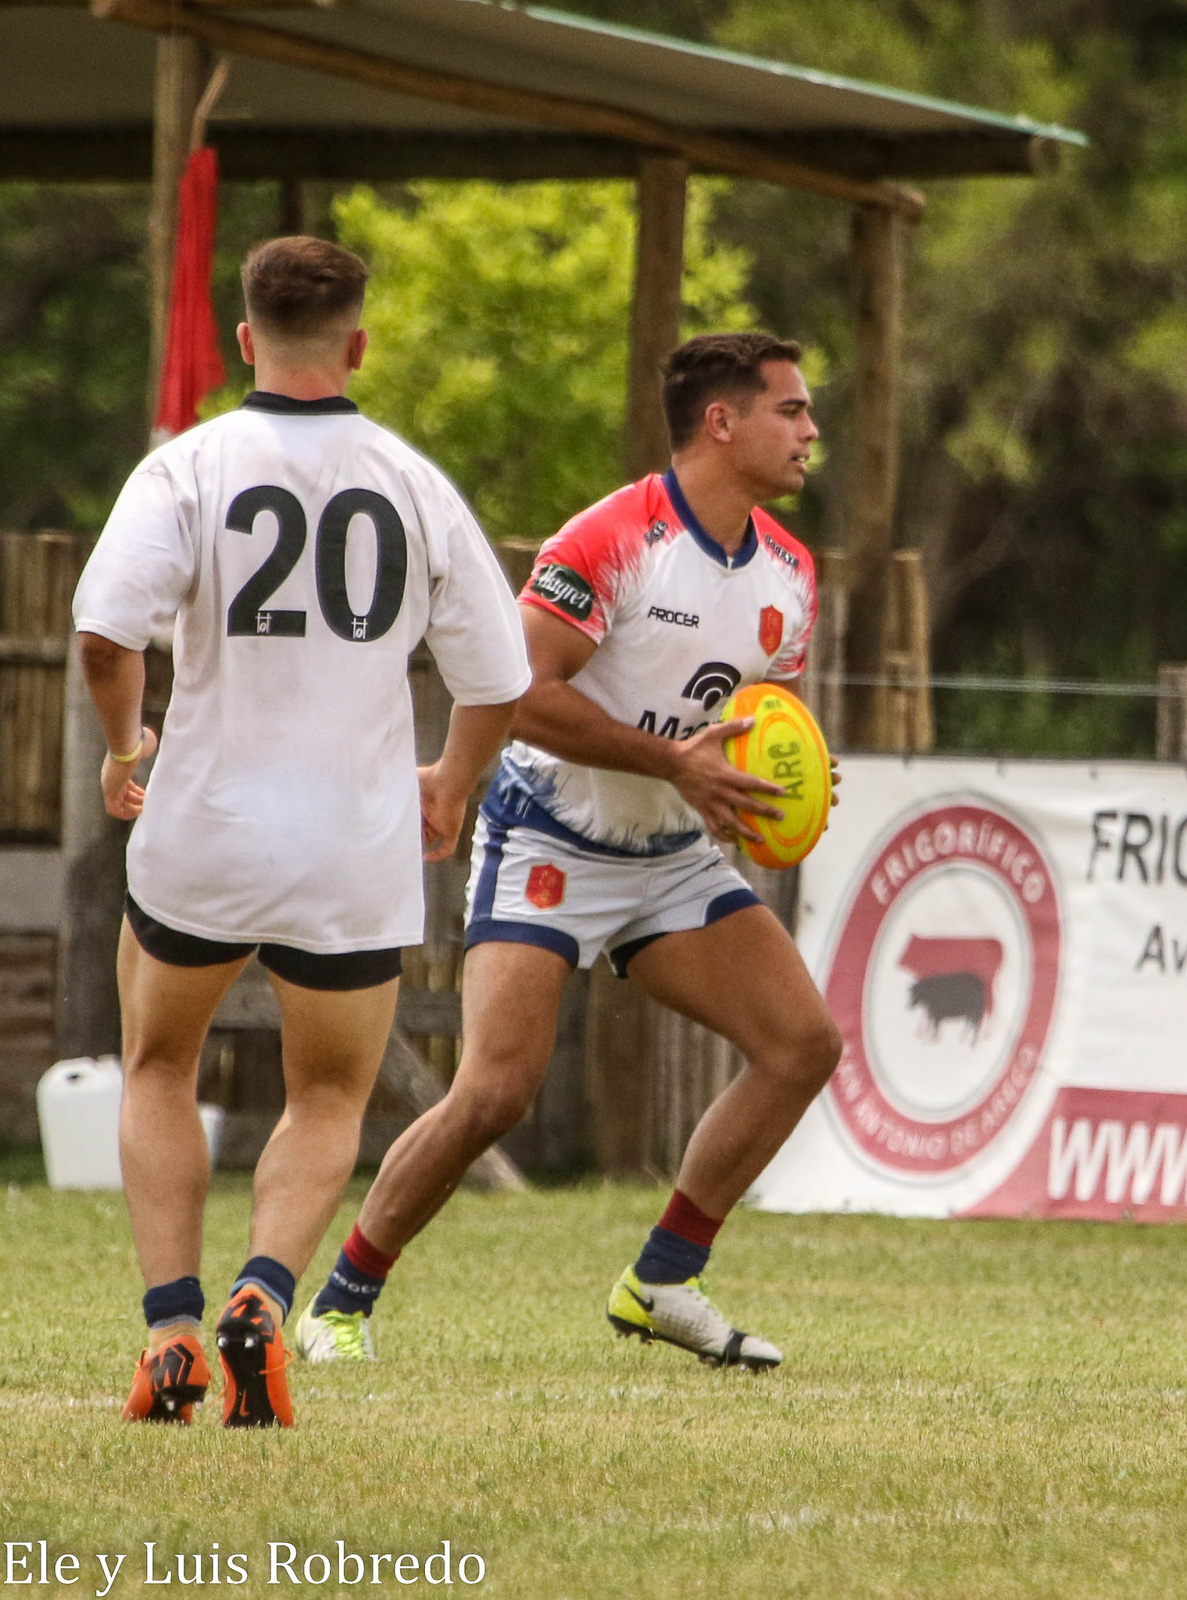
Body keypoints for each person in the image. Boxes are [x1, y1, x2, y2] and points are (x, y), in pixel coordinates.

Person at [298, 330, 842, 1372]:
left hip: (672, 853)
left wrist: (766, 784)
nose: (810, 431)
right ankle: (340, 1298)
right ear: (719, 422)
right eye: (791, 409)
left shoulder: (788, 570)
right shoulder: (611, 538)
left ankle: (663, 1279)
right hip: (549, 831)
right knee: (498, 1089)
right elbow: (514, 694)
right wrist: (671, 762)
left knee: (801, 1042)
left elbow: (755, 715)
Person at [72, 236, 531, 1427]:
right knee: (327, 1096)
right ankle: (265, 1302)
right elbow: (498, 675)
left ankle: (172, 1330)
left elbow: (103, 635)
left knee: (159, 1065)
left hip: (203, 831)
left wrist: (126, 745)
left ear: (243, 340)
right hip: (349, 843)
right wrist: (452, 784)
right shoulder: (413, 482)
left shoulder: (187, 468)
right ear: (359, 342)